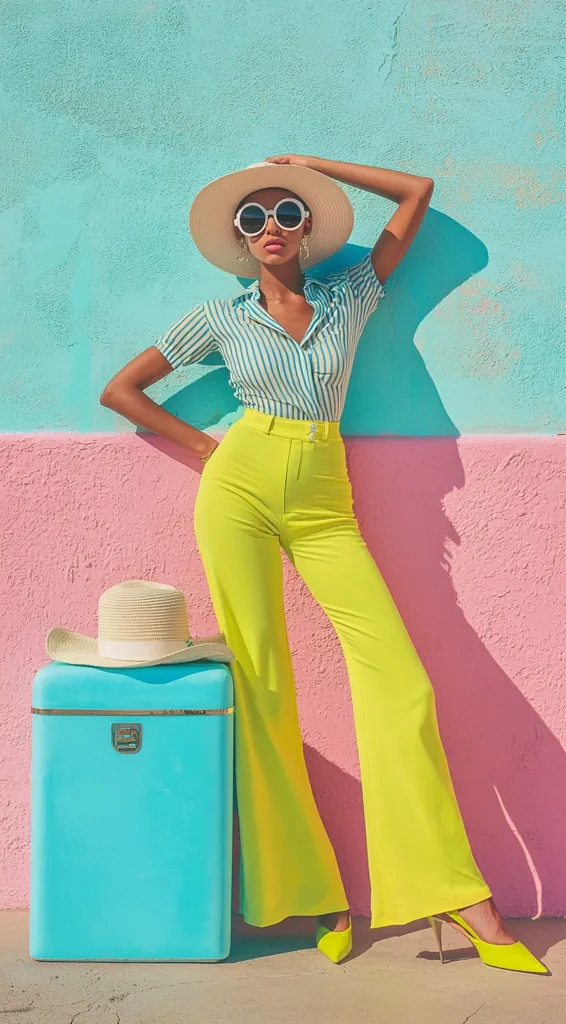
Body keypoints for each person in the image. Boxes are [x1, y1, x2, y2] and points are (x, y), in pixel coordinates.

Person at [100, 155, 546, 973]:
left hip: (324, 497)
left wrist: (308, 163)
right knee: (264, 684)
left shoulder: (350, 296)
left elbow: (416, 196)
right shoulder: (217, 317)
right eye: (252, 218)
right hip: (238, 487)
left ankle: (455, 893)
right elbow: (122, 389)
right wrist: (209, 449)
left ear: (307, 228)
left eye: (285, 212)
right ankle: (319, 897)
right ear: (240, 242)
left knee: (401, 682)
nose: (269, 226)